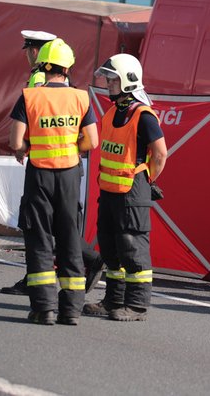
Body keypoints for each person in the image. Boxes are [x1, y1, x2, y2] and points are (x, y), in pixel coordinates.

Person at [2, 30, 106, 297]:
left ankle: (41, 282)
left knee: (40, 225)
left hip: (46, 164)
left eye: (29, 50)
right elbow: (89, 138)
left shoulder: (38, 83)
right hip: (70, 164)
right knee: (64, 223)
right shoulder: (76, 92)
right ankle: (63, 285)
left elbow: (35, 127)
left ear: (39, 54)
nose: (27, 55)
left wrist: (29, 147)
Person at [83, 54, 167, 322]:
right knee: (110, 248)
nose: (108, 82)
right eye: (108, 78)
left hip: (132, 192)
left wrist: (147, 180)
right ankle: (113, 300)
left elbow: (160, 154)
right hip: (109, 192)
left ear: (128, 81)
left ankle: (137, 305)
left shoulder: (143, 116)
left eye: (113, 78)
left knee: (133, 249)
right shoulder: (111, 113)